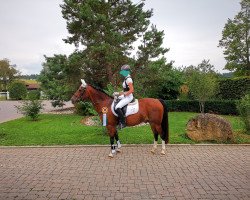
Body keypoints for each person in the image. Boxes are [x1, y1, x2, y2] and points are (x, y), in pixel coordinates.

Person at [115, 64, 134, 129]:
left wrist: (122, 94)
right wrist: (118, 93)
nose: (122, 73)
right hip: (125, 96)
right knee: (116, 99)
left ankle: (123, 123)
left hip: (129, 97)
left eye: (123, 72)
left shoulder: (128, 79)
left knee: (117, 107)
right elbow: (125, 90)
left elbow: (131, 90)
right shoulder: (126, 78)